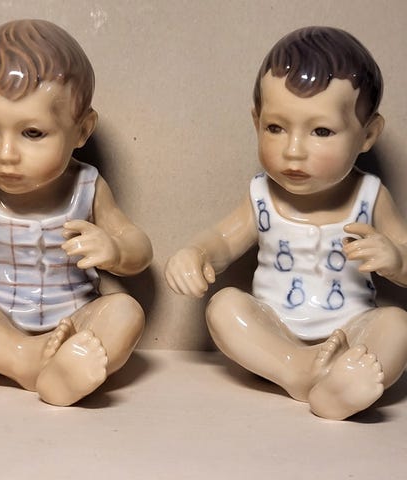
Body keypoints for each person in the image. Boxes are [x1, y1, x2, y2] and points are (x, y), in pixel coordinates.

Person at [165, 26, 407, 420]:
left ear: (367, 135)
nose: (293, 151)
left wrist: (396, 259)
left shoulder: (371, 196)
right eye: (275, 128)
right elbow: (223, 239)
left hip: (354, 331)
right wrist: (196, 253)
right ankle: (297, 370)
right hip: (276, 328)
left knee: (398, 325)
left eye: (321, 131)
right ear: (256, 121)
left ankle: (344, 380)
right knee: (224, 307)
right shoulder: (262, 195)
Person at [0, 19, 152, 406]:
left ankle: (65, 364)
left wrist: (115, 250)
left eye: (32, 133)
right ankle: (25, 361)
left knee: (126, 312)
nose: (6, 154)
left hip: (74, 322)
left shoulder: (87, 187)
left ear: (81, 130)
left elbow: (138, 246)